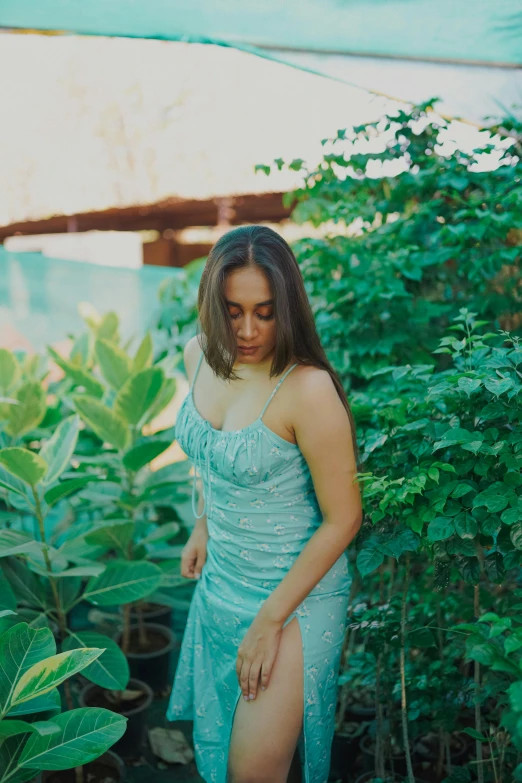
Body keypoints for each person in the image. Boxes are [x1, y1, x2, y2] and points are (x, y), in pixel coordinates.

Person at [167, 225, 363, 783]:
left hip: (296, 598)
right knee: (224, 749)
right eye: (233, 311)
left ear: (289, 308)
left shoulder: (307, 389)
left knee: (252, 770)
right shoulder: (197, 357)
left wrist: (270, 620)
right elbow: (209, 455)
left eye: (265, 312)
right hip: (223, 579)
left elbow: (345, 516)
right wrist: (203, 523)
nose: (248, 330)